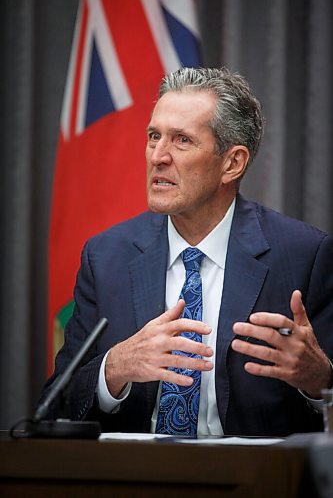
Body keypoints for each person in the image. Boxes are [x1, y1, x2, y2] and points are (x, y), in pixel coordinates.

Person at [42, 67, 333, 437]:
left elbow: (324, 398)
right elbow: (54, 405)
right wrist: (114, 367)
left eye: (181, 140)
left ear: (232, 163)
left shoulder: (303, 255)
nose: (158, 156)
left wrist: (320, 378)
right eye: (153, 136)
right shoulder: (106, 257)